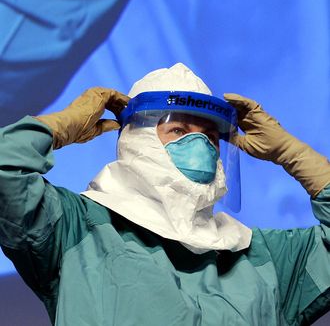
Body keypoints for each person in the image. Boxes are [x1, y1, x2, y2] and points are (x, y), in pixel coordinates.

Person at [0, 63, 329, 325]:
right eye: (178, 130)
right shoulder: (75, 228)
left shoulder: (258, 254)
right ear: (137, 138)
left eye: (210, 135)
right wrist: (59, 125)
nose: (200, 145)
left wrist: (291, 152)